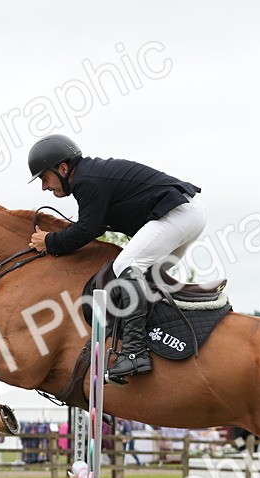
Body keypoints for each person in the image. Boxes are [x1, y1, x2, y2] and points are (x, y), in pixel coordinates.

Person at [26, 134, 205, 383]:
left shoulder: (86, 180)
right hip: (185, 215)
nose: (44, 186)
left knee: (125, 266)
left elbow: (87, 230)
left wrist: (49, 242)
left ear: (63, 168)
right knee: (147, 281)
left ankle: (134, 353)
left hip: (177, 216)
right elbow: (94, 227)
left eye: (44, 178)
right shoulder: (89, 175)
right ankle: (154, 344)